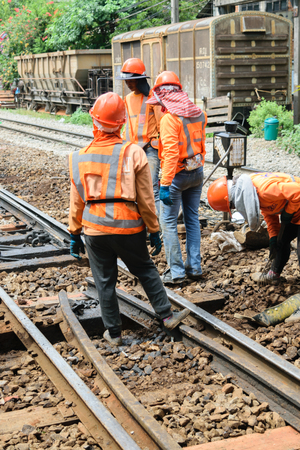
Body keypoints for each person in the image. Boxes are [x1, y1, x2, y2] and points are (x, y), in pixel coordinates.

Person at [68, 92, 189, 346]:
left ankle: (113, 334)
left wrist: (74, 233)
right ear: (122, 124)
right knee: (145, 269)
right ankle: (167, 317)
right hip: (128, 227)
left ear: (94, 122)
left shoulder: (78, 157)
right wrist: (154, 229)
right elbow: (146, 198)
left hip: (94, 230)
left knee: (104, 281)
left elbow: (77, 199)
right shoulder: (133, 152)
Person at [146, 71, 207, 285]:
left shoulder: (170, 120)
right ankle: (195, 267)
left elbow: (171, 154)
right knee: (192, 219)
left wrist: (164, 185)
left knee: (168, 222)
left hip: (176, 177)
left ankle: (177, 272)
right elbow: (201, 145)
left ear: (163, 96)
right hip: (196, 173)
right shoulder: (199, 113)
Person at [207, 172, 300, 284]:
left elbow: (298, 192)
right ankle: (274, 275)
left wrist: (288, 212)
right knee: (280, 242)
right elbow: (270, 212)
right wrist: (273, 236)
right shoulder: (250, 191)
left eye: (232, 207)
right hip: (296, 212)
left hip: (295, 207)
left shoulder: (265, 190)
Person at [116, 58, 163, 216]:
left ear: (139, 79)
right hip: (133, 150)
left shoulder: (152, 97)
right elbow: (128, 124)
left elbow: (162, 123)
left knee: (150, 188)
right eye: (126, 81)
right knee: (131, 187)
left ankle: (157, 226)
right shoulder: (128, 99)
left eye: (131, 80)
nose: (128, 84)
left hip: (150, 149)